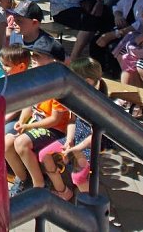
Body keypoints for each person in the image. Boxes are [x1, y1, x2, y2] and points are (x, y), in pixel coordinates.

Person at [5, 38, 68, 197]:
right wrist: (21, 122)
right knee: (6, 143)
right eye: (33, 55)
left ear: (53, 61)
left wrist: (28, 127)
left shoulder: (58, 86)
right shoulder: (37, 79)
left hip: (54, 130)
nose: (32, 58)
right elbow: (29, 105)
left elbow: (55, 120)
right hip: (36, 124)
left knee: (21, 143)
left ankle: (38, 185)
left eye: (38, 56)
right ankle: (22, 178)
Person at [38, 58, 107, 201]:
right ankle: (62, 191)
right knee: (45, 155)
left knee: (78, 177)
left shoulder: (99, 105)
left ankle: (93, 205)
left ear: (87, 81)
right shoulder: (78, 97)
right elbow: (72, 120)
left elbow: (97, 135)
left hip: (90, 146)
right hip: (75, 140)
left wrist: (77, 149)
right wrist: (69, 140)